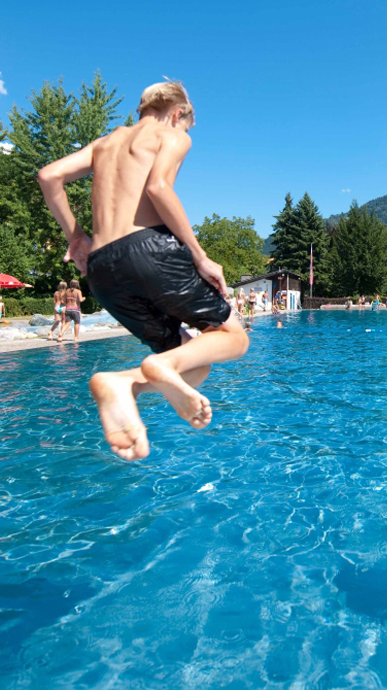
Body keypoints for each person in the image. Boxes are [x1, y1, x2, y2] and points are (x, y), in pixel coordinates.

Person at [38, 79, 248, 461]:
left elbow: (49, 176)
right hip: (149, 250)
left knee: (192, 365)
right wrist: (199, 255)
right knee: (234, 337)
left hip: (101, 268)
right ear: (178, 112)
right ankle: (152, 368)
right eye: (185, 124)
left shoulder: (106, 143)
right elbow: (159, 188)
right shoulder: (170, 134)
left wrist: (76, 237)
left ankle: (122, 384)